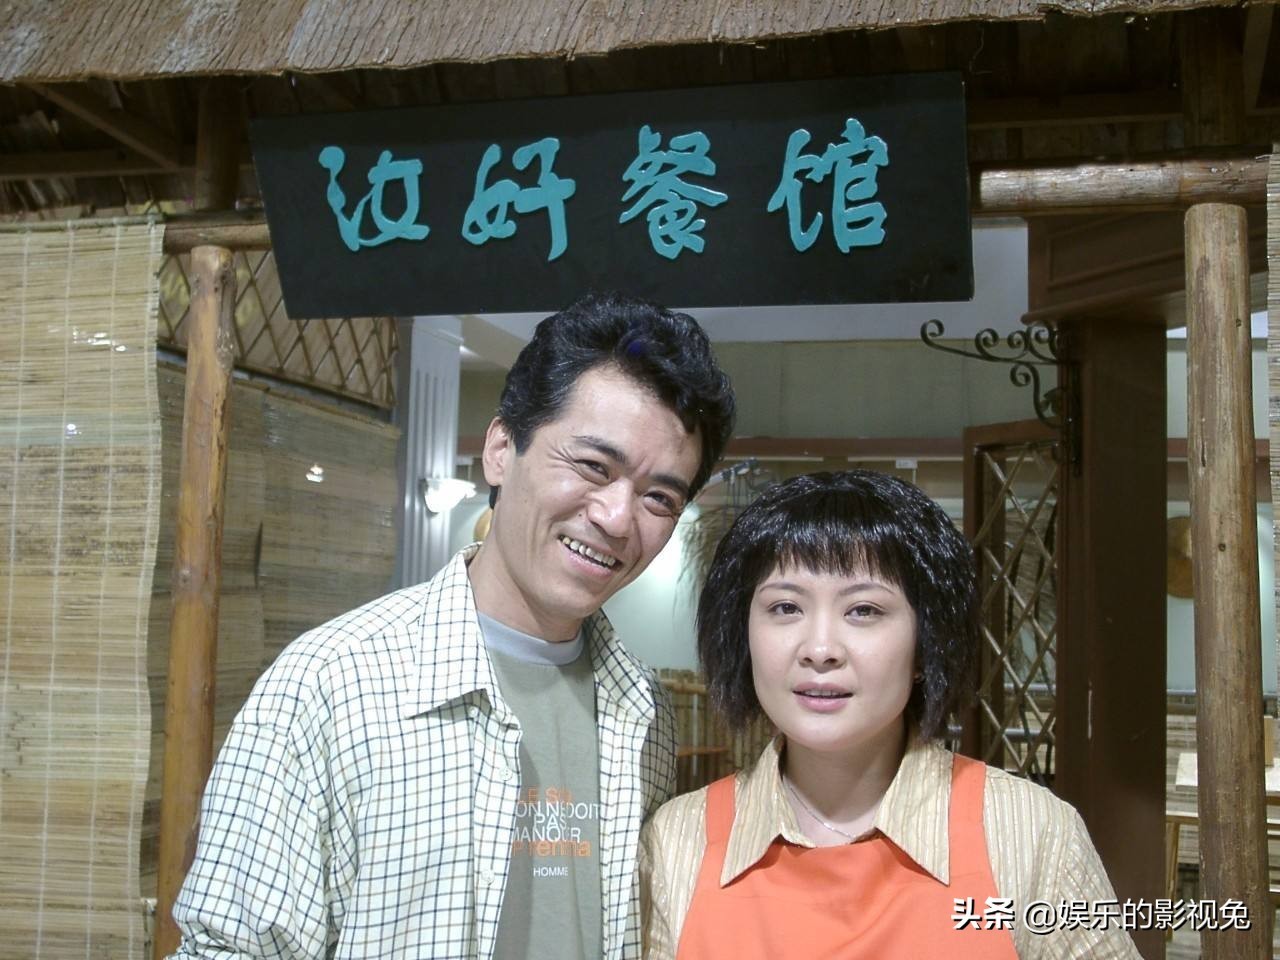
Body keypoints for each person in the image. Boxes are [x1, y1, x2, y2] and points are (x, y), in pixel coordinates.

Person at [169, 291, 736, 960]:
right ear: (501, 449)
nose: (616, 517)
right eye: (592, 466)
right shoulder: (330, 684)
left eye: (659, 497)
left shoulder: (642, 709)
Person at [640, 470, 1141, 959]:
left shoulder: (1030, 829)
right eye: (786, 608)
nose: (820, 649)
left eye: (864, 610)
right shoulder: (679, 840)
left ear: (926, 645)